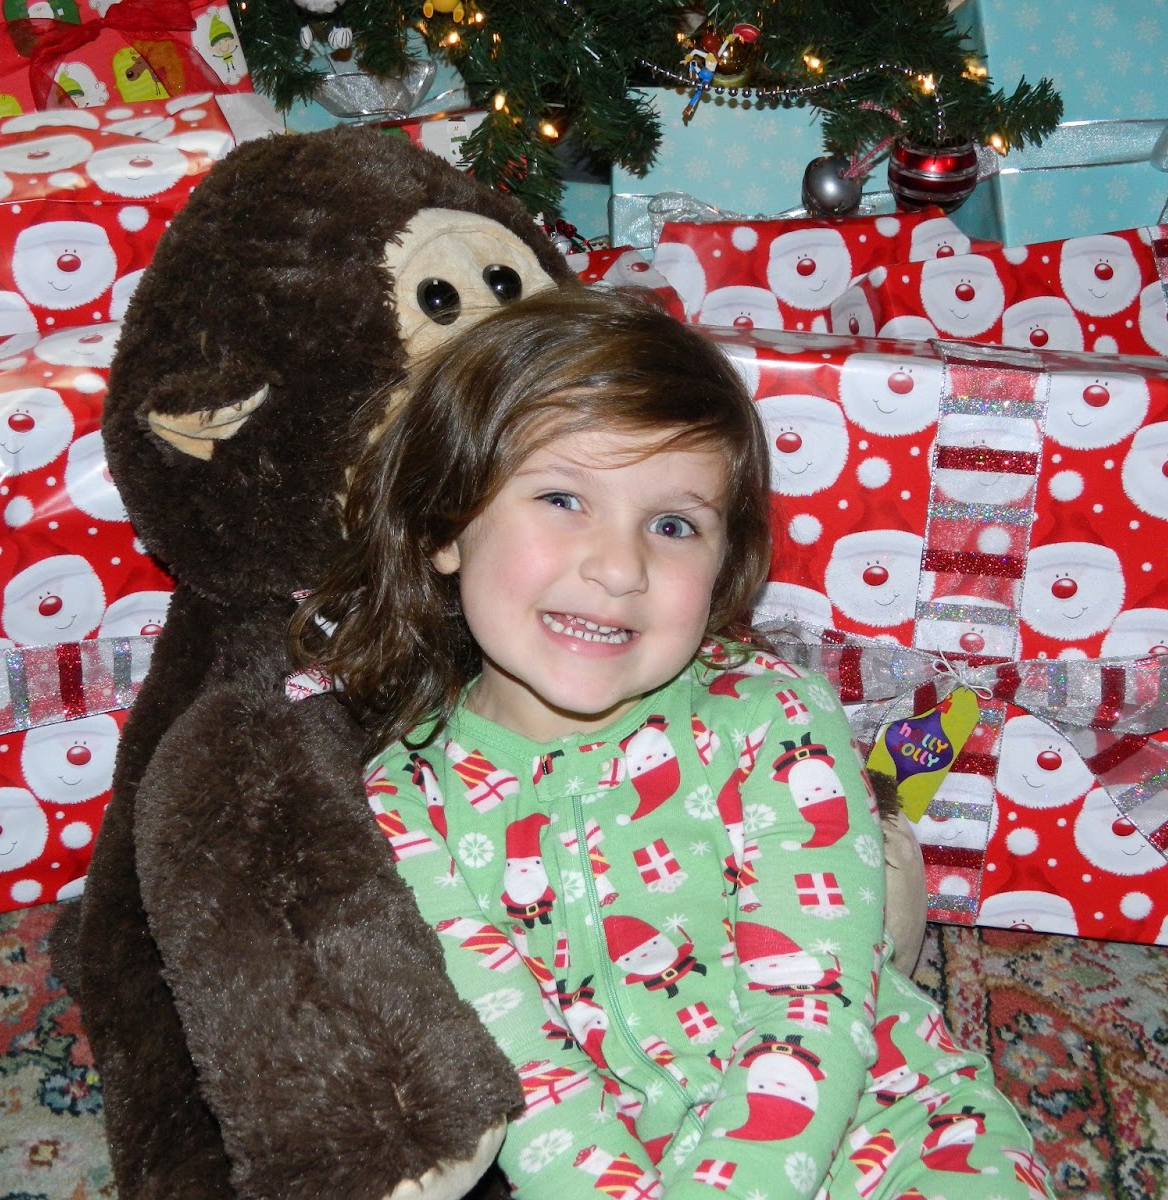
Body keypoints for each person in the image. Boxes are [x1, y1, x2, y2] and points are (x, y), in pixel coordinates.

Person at [288, 287, 1054, 1199]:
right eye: (563, 498)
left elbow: (809, 1006)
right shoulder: (402, 802)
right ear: (445, 525)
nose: (620, 568)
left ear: (725, 563)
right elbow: (529, 1079)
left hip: (896, 1136)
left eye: (673, 525)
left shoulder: (771, 716)